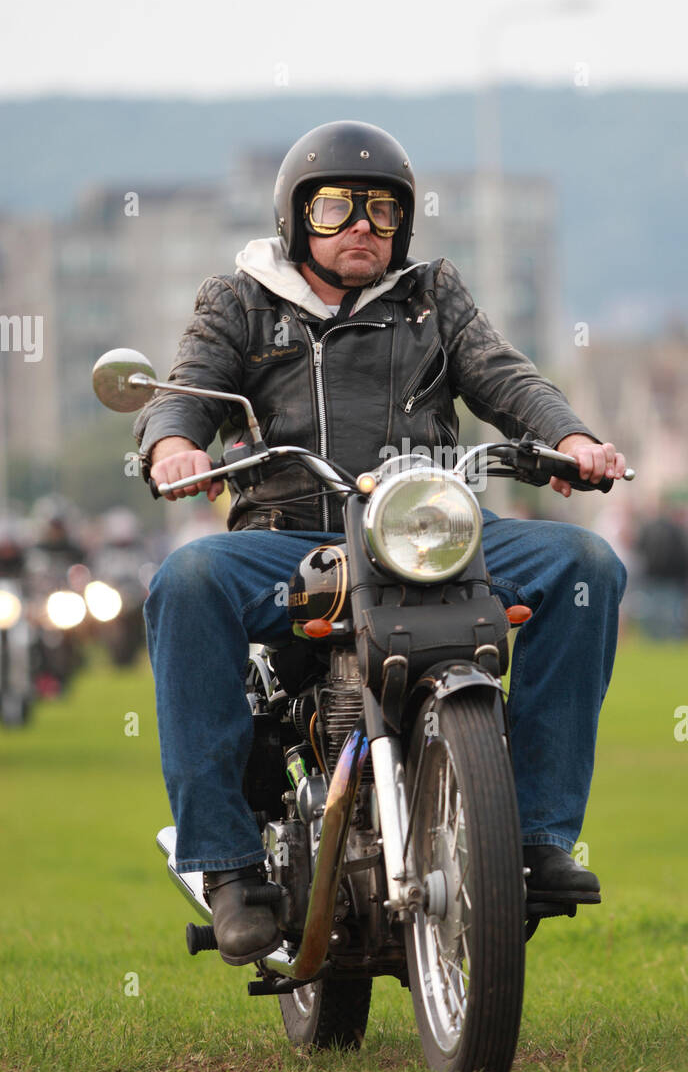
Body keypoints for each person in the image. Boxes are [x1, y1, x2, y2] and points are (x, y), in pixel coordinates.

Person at [135, 120, 628, 965]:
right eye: (336, 208)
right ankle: (227, 866)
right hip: (292, 540)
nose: (361, 225)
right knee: (185, 581)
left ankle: (538, 834)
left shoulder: (433, 294)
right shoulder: (240, 299)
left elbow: (505, 376)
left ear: (402, 222)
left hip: (424, 533)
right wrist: (172, 443)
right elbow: (188, 389)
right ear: (298, 220)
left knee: (585, 566)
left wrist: (570, 437)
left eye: (380, 210)